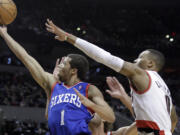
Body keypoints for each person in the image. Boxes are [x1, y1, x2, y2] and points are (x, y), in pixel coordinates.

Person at [45, 19, 178, 135]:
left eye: (139, 59)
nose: (134, 62)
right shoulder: (163, 88)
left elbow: (104, 57)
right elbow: (173, 119)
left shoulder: (141, 73)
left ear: (150, 63)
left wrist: (68, 37)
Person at [0, 26, 115, 135]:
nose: (60, 66)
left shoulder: (89, 89)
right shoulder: (53, 84)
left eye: (64, 64)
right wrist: (5, 35)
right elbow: (26, 58)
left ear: (73, 71)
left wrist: (90, 105)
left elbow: (110, 117)